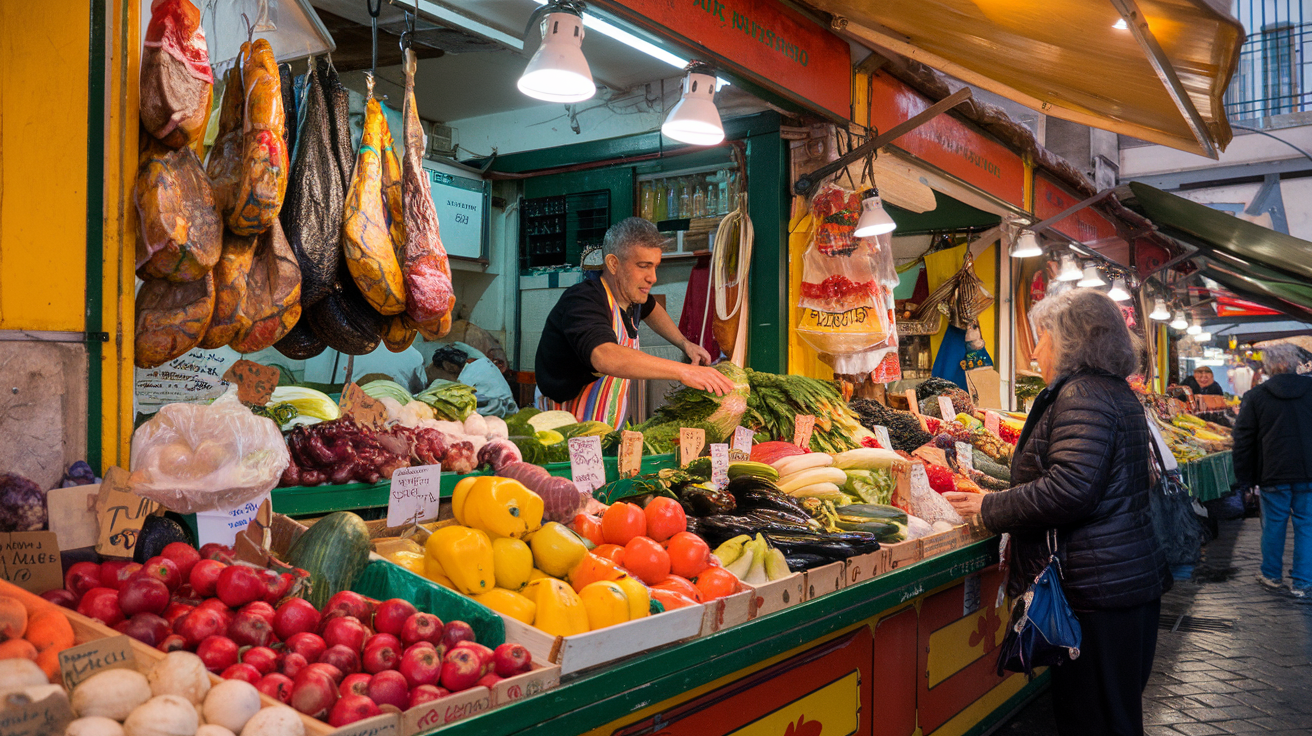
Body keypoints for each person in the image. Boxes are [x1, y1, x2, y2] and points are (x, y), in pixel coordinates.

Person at [944, 288, 1169, 736]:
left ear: (1070, 341)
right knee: (1114, 716)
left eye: (1042, 337)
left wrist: (990, 507)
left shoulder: (1082, 394)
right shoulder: (1111, 391)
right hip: (1118, 582)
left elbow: (1071, 489)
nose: (1035, 350)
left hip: (1097, 591)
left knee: (1095, 719)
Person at [534, 217, 733, 427]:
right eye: (643, 266)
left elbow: (652, 309)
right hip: (564, 433)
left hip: (606, 430)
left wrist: (684, 344)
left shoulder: (632, 297)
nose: (653, 277)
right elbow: (605, 356)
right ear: (613, 264)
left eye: (655, 266)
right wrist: (684, 371)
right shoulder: (583, 301)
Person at [1231, 342, 1312, 599]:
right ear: (1294, 364)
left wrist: (1244, 478)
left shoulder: (1255, 396)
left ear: (1267, 367)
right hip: (1309, 472)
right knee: (1307, 526)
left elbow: (1243, 439)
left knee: (1274, 525)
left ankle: (1271, 575)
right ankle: (1302, 582)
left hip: (1273, 472)